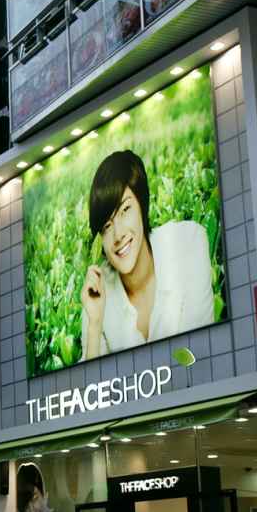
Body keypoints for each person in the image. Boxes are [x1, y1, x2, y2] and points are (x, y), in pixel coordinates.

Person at [79, 149, 214, 360]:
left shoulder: (188, 242)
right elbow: (90, 390)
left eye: (125, 210)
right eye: (107, 225)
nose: (118, 234)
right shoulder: (96, 292)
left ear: (143, 205)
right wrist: (94, 324)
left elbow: (203, 354)